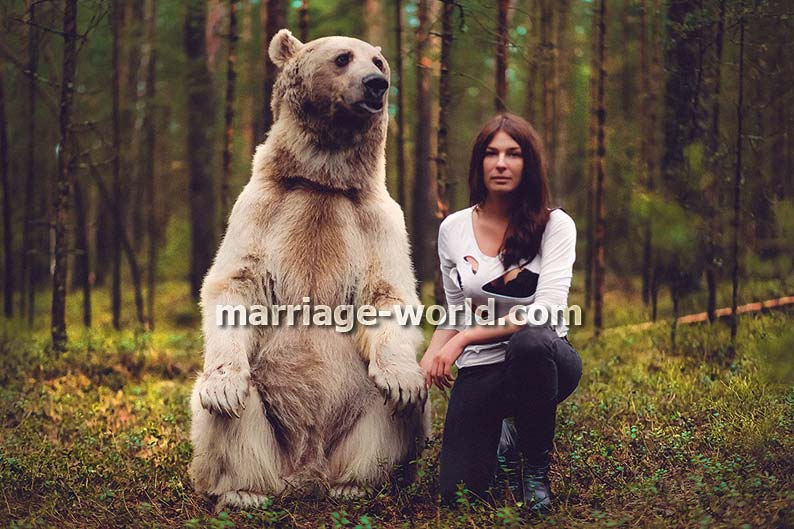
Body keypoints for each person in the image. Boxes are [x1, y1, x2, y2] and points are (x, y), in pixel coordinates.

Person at [418, 113, 582, 513]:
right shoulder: (453, 228)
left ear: (529, 164)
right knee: (460, 495)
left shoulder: (555, 225)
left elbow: (543, 314)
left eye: (513, 154)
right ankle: (504, 439)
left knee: (530, 342)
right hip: (482, 370)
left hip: (545, 359)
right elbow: (455, 311)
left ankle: (535, 472)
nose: (501, 163)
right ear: (479, 163)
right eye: (491, 153)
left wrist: (466, 338)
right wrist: (426, 359)